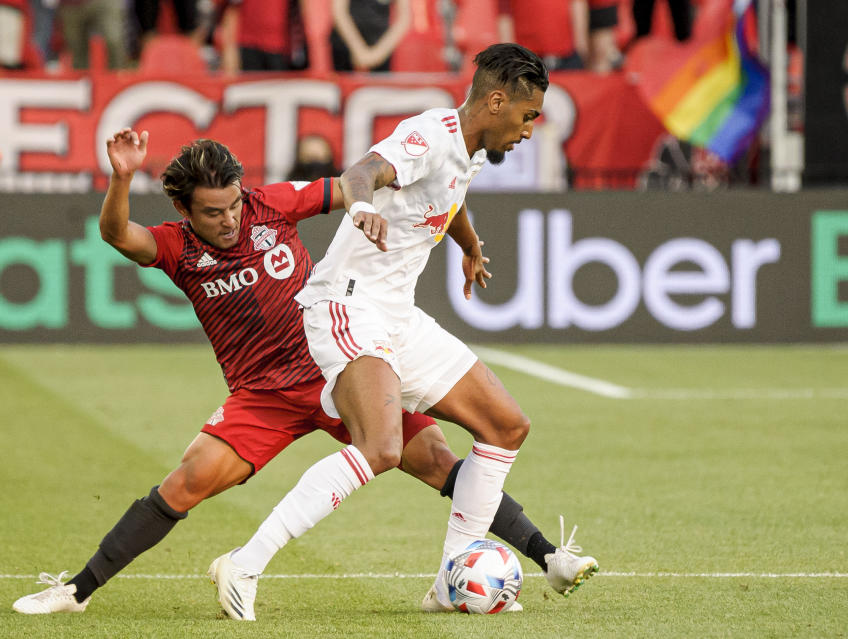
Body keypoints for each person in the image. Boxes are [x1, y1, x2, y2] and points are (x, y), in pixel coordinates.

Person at [11, 128, 597, 617]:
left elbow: (354, 184)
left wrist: (386, 204)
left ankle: (547, 556)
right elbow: (116, 234)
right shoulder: (174, 248)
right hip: (261, 395)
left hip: (337, 366)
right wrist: (120, 178)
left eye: (235, 204)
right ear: (184, 211)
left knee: (440, 462)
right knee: (187, 481)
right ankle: (76, 591)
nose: (231, 220)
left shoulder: (273, 203)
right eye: (213, 213)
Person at [208, 42, 595, 619]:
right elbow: (362, 171)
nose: (529, 130)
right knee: (382, 447)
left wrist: (468, 245)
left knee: (506, 425)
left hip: (398, 317)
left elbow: (450, 195)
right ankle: (244, 562)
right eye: (527, 116)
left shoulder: (468, 152)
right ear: (495, 101)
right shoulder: (431, 135)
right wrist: (360, 206)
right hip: (348, 307)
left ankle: (450, 581)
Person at [330, 0, 410, 72]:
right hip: (345, 44)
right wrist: (358, 50)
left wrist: (378, 54)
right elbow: (339, 11)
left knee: (380, 86)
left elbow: (404, 18)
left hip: (381, 45)